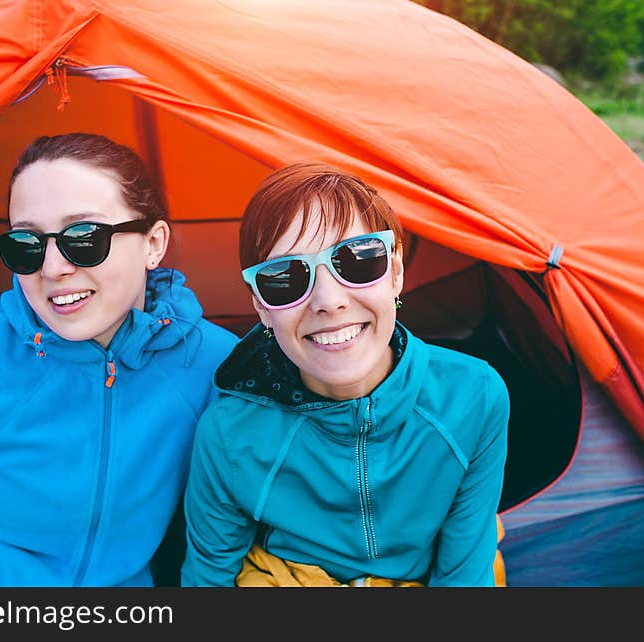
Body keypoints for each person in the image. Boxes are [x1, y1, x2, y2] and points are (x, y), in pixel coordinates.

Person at [0, 132, 238, 586]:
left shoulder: (214, 364)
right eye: (26, 244)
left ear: (153, 244)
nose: (52, 268)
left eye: (84, 236)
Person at [181, 162, 509, 587]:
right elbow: (208, 581)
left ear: (395, 272)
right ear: (262, 307)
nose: (328, 301)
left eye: (358, 260)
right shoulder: (228, 435)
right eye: (285, 278)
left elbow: (464, 575)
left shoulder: (473, 397)